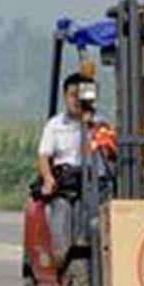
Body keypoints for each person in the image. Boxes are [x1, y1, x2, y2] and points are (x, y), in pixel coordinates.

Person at [37, 73, 97, 262]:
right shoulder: (55, 125)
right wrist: (48, 179)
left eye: (82, 96)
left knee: (92, 215)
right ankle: (63, 260)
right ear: (65, 96)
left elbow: (110, 151)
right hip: (66, 184)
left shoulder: (101, 122)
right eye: (73, 95)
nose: (77, 101)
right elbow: (44, 155)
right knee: (62, 211)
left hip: (94, 183)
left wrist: (91, 126)